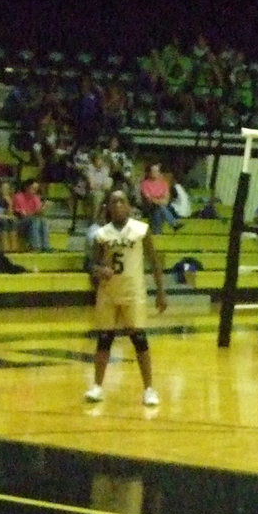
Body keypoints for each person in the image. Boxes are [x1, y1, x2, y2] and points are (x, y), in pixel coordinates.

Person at [84, 189, 168, 407]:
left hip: (134, 292)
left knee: (139, 339)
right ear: (108, 208)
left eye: (122, 201)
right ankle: (97, 386)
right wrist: (99, 270)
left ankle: (149, 389)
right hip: (108, 293)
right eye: (114, 202)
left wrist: (160, 292)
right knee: (104, 340)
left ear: (129, 206)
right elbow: (91, 265)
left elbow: (154, 262)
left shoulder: (141, 230)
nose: (118, 205)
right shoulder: (101, 234)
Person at [137, 162, 182, 234]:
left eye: (156, 171)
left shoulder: (164, 183)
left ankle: (157, 233)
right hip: (149, 207)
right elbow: (149, 200)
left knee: (159, 210)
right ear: (149, 173)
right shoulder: (145, 184)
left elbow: (166, 200)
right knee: (159, 208)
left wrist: (157, 200)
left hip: (161, 207)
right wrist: (160, 200)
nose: (155, 173)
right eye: (153, 171)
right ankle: (173, 224)